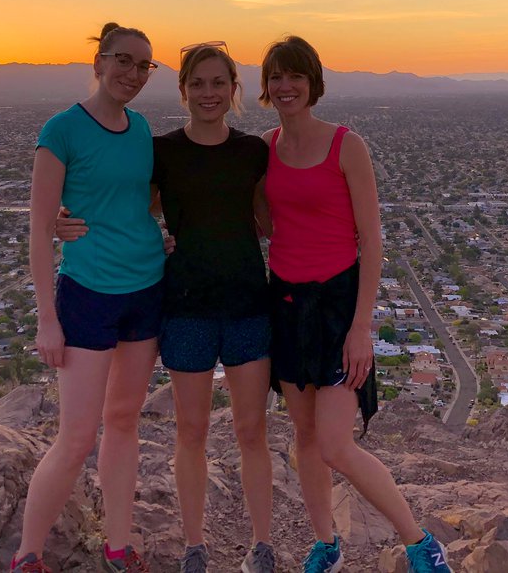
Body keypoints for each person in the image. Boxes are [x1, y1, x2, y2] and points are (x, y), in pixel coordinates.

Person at [59, 41, 277, 573]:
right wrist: (67, 219)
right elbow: (126, 205)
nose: (208, 93)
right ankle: (195, 545)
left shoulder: (253, 153)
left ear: (233, 90)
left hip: (248, 304)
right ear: (182, 91)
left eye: (218, 83)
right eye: (197, 83)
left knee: (253, 431)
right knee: (191, 431)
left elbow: (270, 221)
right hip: (184, 308)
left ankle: (262, 545)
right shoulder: (164, 151)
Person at [259, 35, 452, 573]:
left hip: (340, 305)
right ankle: (327, 544)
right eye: (276, 76)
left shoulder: (347, 146)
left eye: (295, 75)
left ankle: (420, 544)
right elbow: (253, 220)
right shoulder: (266, 149)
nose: (285, 85)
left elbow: (372, 240)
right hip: (287, 302)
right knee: (304, 436)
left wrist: (361, 326)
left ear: (313, 82)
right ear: (265, 86)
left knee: (336, 444)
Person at [11, 23, 165, 573]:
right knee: (76, 437)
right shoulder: (62, 130)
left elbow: (137, 203)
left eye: (143, 66)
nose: (132, 74)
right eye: (123, 60)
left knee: (124, 421)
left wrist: (158, 232)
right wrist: (46, 319)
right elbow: (37, 227)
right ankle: (28, 556)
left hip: (147, 288)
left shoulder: (142, 128)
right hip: (88, 294)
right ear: (98, 62)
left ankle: (118, 547)